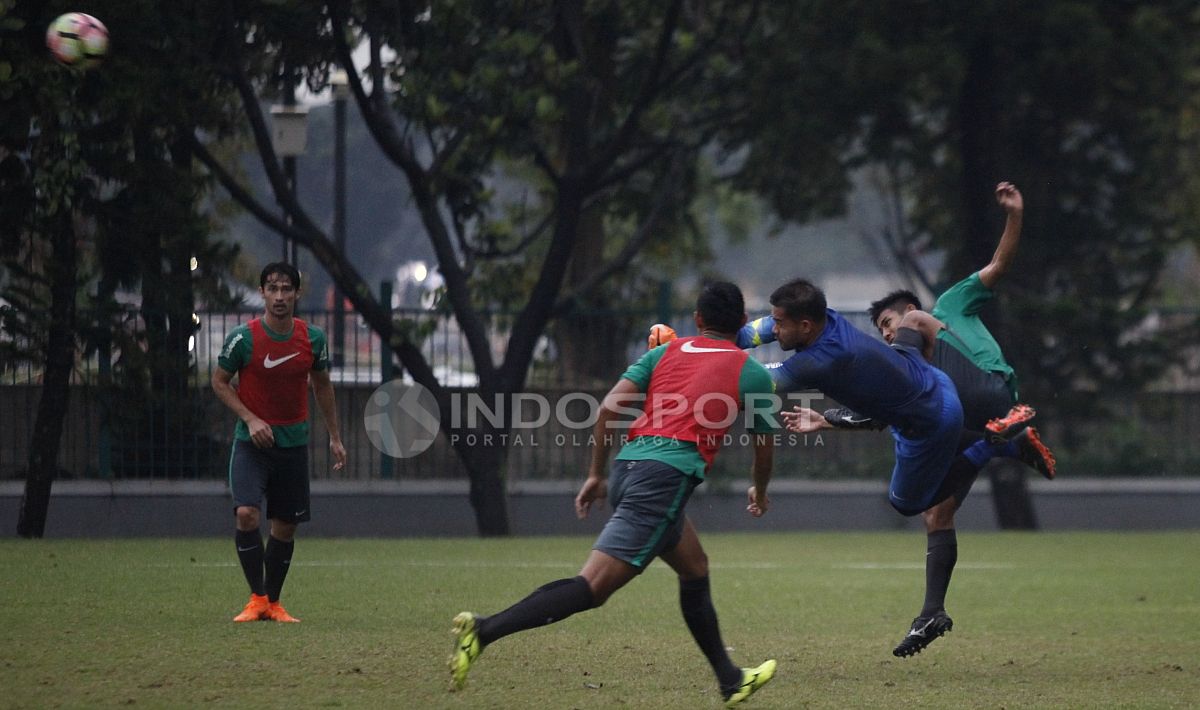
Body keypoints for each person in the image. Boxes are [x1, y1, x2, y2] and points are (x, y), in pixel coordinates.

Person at [448, 282, 779, 708]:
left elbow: (607, 409)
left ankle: (731, 680)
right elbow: (764, 446)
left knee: (694, 567)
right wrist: (761, 491)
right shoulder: (750, 372)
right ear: (741, 323)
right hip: (663, 481)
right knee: (593, 588)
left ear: (697, 319)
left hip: (628, 467)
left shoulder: (663, 353)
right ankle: (483, 630)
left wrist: (595, 475)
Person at [735, 278, 1035, 656]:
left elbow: (753, 381)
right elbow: (759, 331)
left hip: (931, 421)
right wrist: (715, 341)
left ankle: (993, 443)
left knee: (906, 502)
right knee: (937, 515)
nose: (774, 329)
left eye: (781, 324)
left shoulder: (817, 359)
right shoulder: (822, 316)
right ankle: (932, 611)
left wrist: (692, 355)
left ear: (805, 326)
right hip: (934, 383)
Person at [861, 182, 1055, 656]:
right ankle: (932, 611)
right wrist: (827, 421)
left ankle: (1008, 428)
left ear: (905, 312)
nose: (889, 335)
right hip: (972, 420)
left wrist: (1014, 214)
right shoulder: (914, 372)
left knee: (918, 371)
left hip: (985, 386)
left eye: (889, 325)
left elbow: (999, 266)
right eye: (884, 332)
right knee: (935, 511)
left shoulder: (940, 310)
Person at [211, 262, 347, 623]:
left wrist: (335, 436)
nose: (280, 296)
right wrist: (250, 418)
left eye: (287, 289)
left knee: (285, 526)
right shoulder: (244, 338)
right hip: (252, 446)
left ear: (297, 294)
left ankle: (273, 603)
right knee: (246, 513)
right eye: (272, 289)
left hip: (293, 445)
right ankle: (257, 598)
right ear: (262, 293)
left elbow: (322, 386)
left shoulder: (312, 339)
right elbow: (220, 382)